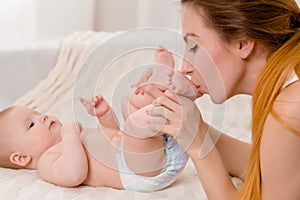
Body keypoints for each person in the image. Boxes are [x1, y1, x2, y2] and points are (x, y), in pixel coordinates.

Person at [131, 0, 300, 199]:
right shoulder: (288, 91)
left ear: (242, 43)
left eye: (194, 46)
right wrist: (187, 124)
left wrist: (199, 145)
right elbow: (275, 168)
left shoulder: (289, 107)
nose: (185, 66)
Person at [0, 47, 191, 192]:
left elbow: (112, 135)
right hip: (137, 172)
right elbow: (74, 174)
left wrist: (104, 116)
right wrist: (69, 135)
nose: (42, 116)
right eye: (31, 124)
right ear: (21, 158)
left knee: (130, 100)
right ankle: (170, 94)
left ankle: (162, 84)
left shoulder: (74, 138)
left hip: (143, 151)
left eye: (37, 112)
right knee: (137, 124)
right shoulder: (47, 161)